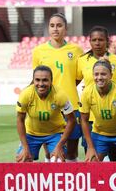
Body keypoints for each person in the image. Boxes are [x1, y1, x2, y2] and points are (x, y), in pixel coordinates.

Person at [32, 13, 83, 162]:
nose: (55, 29)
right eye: (52, 25)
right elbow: (36, 79)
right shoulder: (39, 51)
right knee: (51, 153)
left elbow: (78, 78)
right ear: (48, 28)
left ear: (66, 29)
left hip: (72, 105)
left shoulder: (76, 50)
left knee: (72, 153)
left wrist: (64, 90)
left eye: (59, 25)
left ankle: (73, 182)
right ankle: (51, 182)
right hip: (48, 106)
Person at [77, 25, 116, 161]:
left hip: (114, 118)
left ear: (107, 41)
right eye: (94, 40)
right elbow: (75, 81)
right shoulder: (81, 60)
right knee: (92, 158)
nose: (97, 43)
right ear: (89, 41)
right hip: (91, 118)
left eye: (101, 40)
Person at [16, 65, 76, 162]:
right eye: (37, 80)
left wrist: (59, 145)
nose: (41, 83)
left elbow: (71, 120)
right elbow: (20, 120)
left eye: (45, 80)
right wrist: (25, 148)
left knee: (58, 160)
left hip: (55, 133)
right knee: (22, 159)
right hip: (31, 134)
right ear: (33, 80)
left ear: (51, 81)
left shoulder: (60, 95)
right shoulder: (26, 94)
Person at [79, 60, 116, 161]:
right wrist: (90, 147)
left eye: (103, 74)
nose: (99, 77)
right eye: (96, 74)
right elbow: (84, 121)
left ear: (111, 75)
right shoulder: (87, 92)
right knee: (92, 161)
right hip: (99, 134)